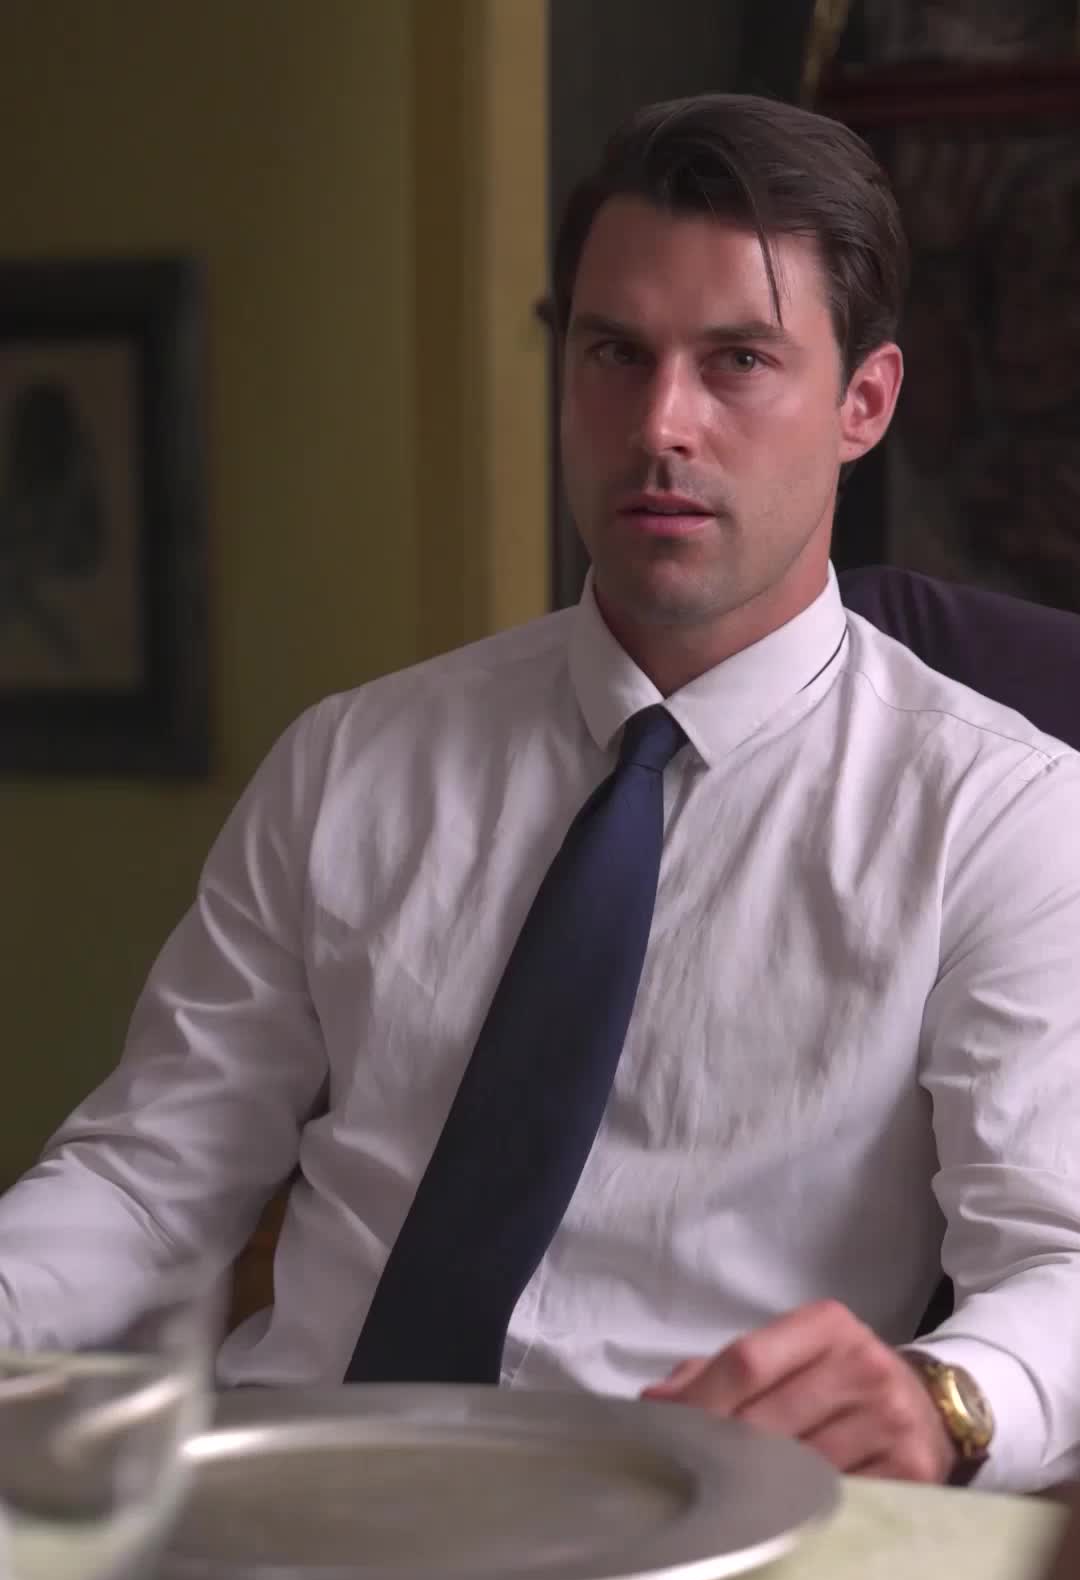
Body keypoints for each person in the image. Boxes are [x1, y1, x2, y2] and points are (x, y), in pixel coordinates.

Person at [1, 93, 1078, 1493]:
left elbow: (1060, 1265)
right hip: (281, 1504)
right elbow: (149, 1183)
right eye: (615, 353)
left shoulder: (999, 818)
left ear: (862, 403)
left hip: (682, 1528)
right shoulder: (350, 761)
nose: (661, 425)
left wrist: (950, 1400)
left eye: (739, 361)